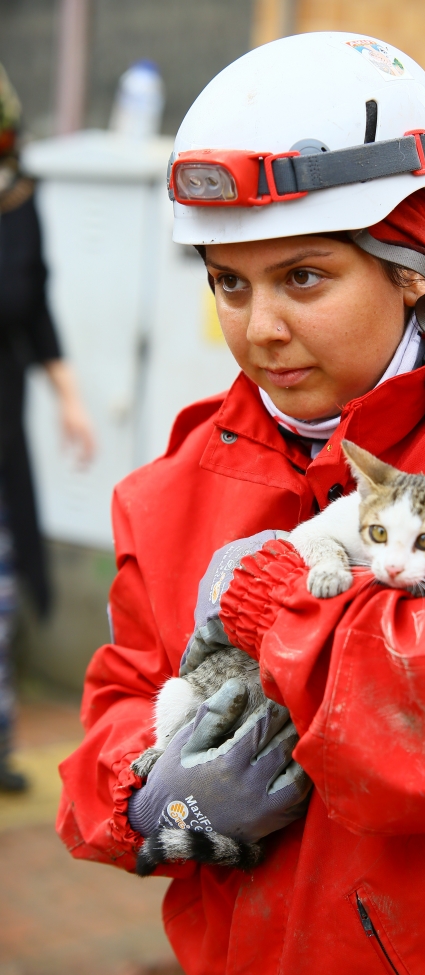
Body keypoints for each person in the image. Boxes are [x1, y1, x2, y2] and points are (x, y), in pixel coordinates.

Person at [57, 33, 425, 974]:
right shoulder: (186, 475)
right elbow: (115, 708)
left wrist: (270, 601)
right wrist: (151, 797)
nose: (260, 328)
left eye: (304, 277)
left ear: (411, 267)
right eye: (230, 282)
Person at [0, 63, 94, 790]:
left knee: (1, 592)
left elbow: (37, 304)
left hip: (5, 431)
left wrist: (69, 397)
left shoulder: (20, 201)